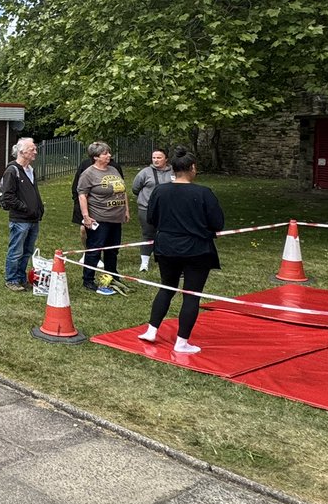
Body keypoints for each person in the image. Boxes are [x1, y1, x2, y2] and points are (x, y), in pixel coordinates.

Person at [138, 148, 224, 354]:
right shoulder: (203, 193)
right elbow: (217, 222)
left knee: (166, 287)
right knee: (191, 294)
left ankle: (152, 330)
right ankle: (182, 341)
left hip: (166, 246)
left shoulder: (160, 191)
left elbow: (152, 218)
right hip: (196, 250)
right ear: (192, 168)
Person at [77, 141, 129, 294]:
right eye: (105, 153)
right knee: (95, 249)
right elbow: (82, 195)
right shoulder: (88, 174)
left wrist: (126, 209)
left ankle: (111, 276)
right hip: (99, 217)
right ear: (95, 157)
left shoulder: (113, 169)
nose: (109, 156)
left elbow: (122, 190)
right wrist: (86, 216)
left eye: (108, 153)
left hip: (116, 217)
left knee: (113, 250)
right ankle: (88, 280)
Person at [0, 137, 44, 292]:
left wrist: (38, 208)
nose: (35, 152)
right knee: (16, 251)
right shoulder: (12, 170)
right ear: (22, 152)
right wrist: (24, 208)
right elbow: (7, 196)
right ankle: (11, 280)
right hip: (20, 219)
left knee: (27, 251)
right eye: (32, 149)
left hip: (33, 219)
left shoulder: (30, 170)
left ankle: (21, 278)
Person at [131, 147, 174, 272]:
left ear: (166, 159)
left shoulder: (174, 171)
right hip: (146, 208)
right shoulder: (145, 172)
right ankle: (144, 263)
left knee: (168, 234)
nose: (156, 160)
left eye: (159, 157)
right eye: (154, 157)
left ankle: (167, 261)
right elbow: (135, 188)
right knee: (148, 234)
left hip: (168, 209)